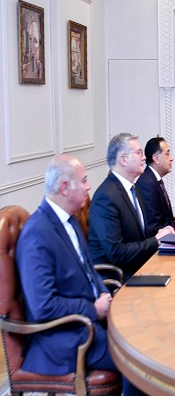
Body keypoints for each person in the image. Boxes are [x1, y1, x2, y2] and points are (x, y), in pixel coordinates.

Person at [15, 154, 142, 395]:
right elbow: (43, 306)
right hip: (67, 337)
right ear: (65, 187)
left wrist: (105, 297)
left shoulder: (69, 219)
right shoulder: (37, 234)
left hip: (91, 324)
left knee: (143, 336)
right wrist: (93, 309)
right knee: (138, 360)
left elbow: (89, 270)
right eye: (83, 181)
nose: (89, 186)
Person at [89, 132, 174, 279]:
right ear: (123, 159)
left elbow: (141, 235)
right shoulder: (106, 197)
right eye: (138, 152)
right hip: (120, 278)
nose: (144, 157)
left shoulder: (133, 189)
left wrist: (162, 234)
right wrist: (156, 240)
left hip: (140, 266)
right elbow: (117, 253)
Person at [136, 136, 175, 233]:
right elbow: (154, 227)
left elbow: (168, 220)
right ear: (156, 158)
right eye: (167, 154)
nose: (171, 158)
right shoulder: (147, 184)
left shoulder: (154, 179)